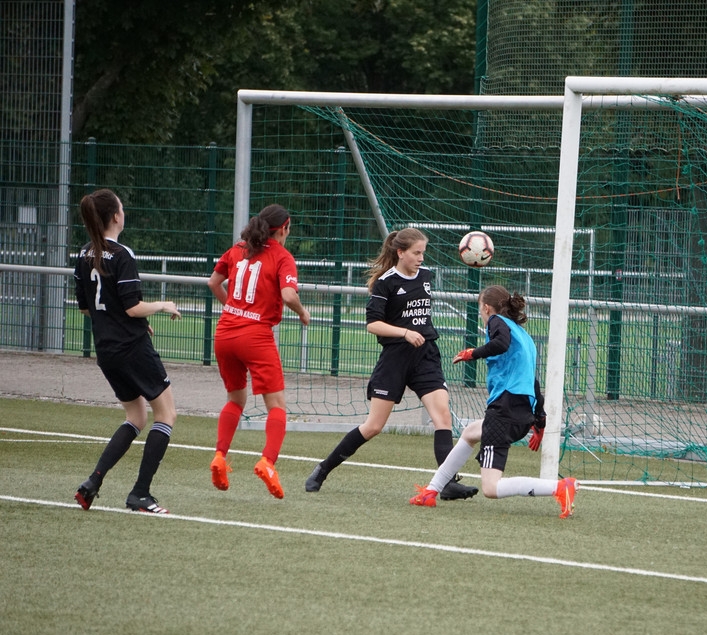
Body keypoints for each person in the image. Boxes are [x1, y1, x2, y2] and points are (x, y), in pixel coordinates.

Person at [304, 227, 477, 500]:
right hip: (395, 358)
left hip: (425, 356)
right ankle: (323, 469)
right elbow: (373, 325)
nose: (421, 258)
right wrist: (404, 332)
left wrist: (417, 333)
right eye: (416, 253)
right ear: (401, 253)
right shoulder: (385, 283)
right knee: (373, 426)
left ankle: (446, 484)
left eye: (423, 252)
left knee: (442, 416)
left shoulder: (426, 277)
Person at [410, 285, 578, 518]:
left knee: (491, 488)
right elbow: (534, 383)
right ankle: (431, 491)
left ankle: (559, 488)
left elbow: (500, 344)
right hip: (520, 411)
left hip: (505, 410)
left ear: (487, 308)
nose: (482, 313)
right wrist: (540, 421)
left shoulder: (496, 322)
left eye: (481, 309)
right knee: (470, 432)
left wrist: (472, 353)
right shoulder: (524, 336)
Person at [72, 188, 180, 514]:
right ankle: (140, 494)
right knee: (166, 414)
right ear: (116, 216)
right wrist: (163, 306)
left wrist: (128, 321)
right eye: (121, 207)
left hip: (106, 349)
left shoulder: (83, 254)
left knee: (136, 416)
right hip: (131, 348)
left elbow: (88, 309)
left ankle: (92, 483)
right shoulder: (122, 254)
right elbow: (132, 307)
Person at [207, 204, 310, 499]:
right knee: (276, 405)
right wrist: (302, 312)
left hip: (225, 333)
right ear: (284, 229)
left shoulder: (238, 249)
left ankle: (219, 456)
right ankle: (267, 462)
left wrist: (232, 308)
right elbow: (289, 295)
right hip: (256, 336)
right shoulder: (282, 256)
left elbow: (213, 282)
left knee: (235, 399)